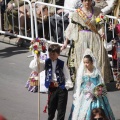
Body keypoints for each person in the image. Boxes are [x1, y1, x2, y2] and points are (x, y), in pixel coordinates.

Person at [61, 0, 113, 83]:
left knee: (97, 59)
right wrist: (65, 43)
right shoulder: (77, 13)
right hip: (82, 39)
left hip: (95, 37)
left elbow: (100, 25)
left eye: (88, 0)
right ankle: (83, 81)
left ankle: (97, 81)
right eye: (85, 1)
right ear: (82, 1)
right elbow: (71, 28)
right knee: (82, 60)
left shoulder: (97, 11)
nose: (87, 2)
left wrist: (102, 32)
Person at [29, 44, 73, 120]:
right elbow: (37, 66)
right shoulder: (46, 62)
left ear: (58, 54)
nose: (51, 56)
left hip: (61, 89)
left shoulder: (62, 64)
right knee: (51, 109)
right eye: (50, 54)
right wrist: (37, 55)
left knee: (61, 110)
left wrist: (64, 86)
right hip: (51, 89)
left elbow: (67, 76)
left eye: (53, 54)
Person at [68, 49, 115, 120]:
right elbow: (80, 84)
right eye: (84, 62)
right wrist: (84, 91)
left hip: (97, 95)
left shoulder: (96, 71)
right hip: (86, 95)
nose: (85, 64)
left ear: (92, 62)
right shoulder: (83, 72)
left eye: (87, 62)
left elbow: (100, 83)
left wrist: (98, 90)